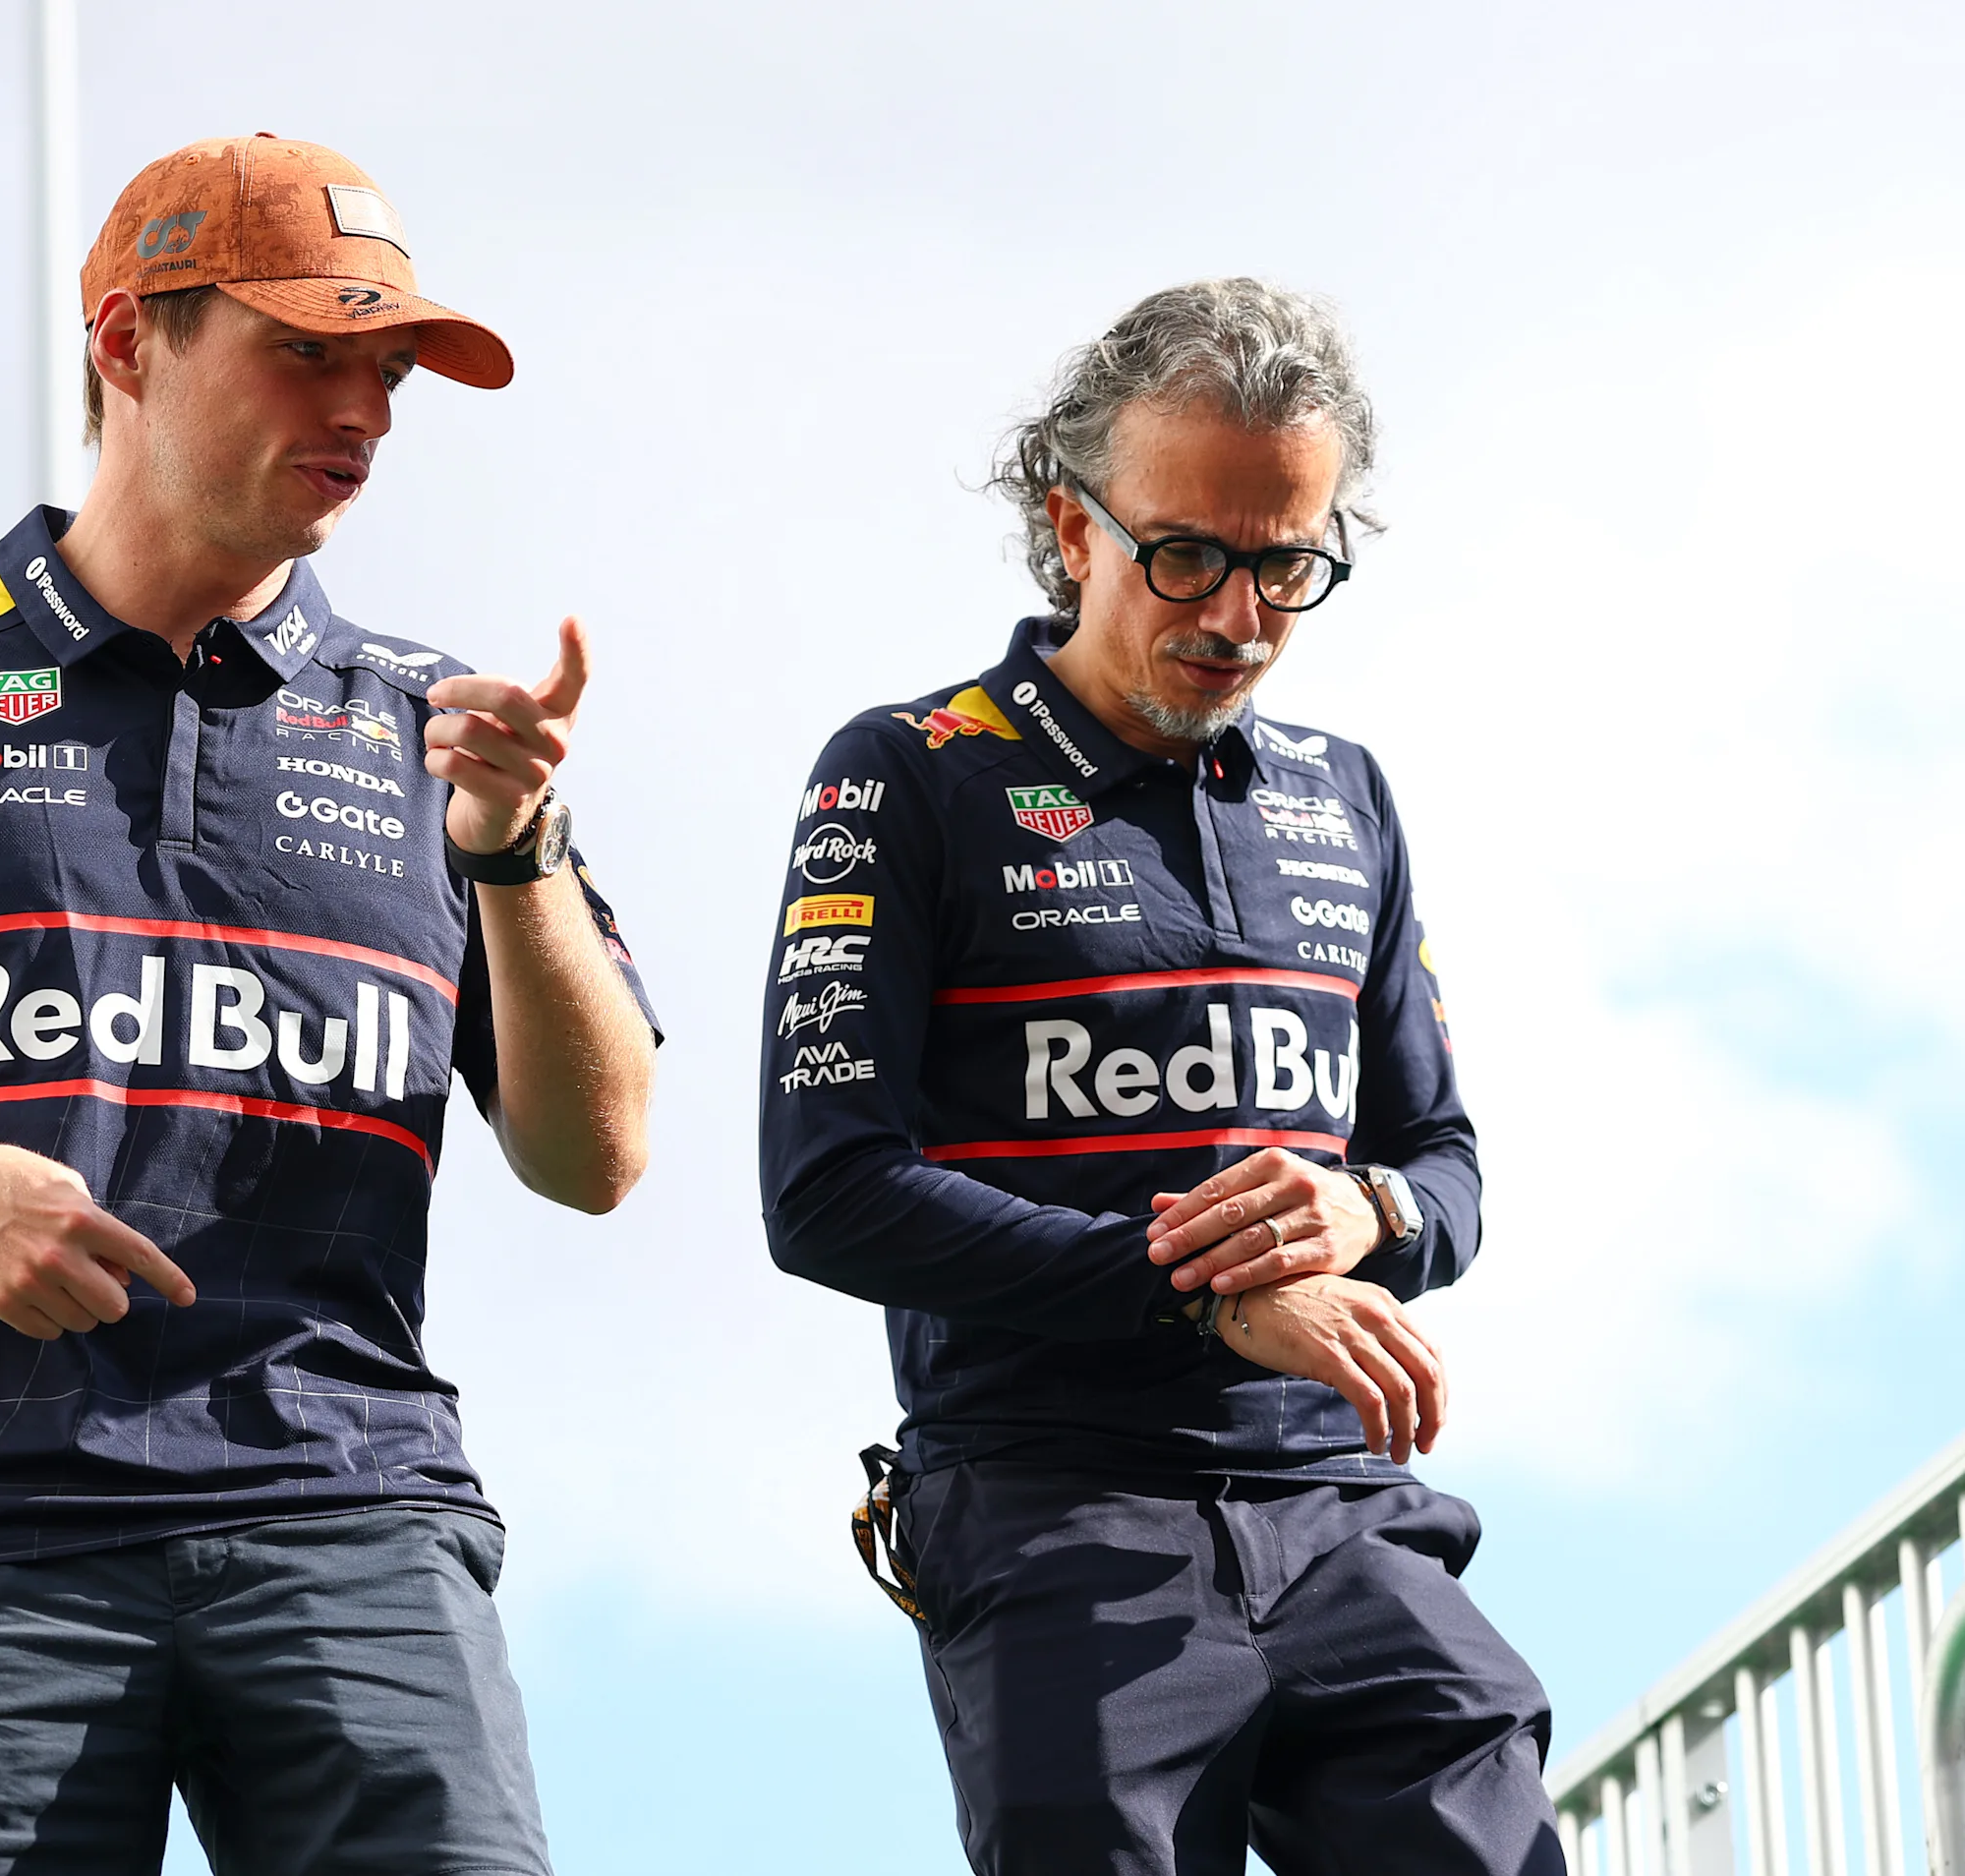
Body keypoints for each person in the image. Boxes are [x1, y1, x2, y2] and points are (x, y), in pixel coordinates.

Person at [0, 133, 657, 1876]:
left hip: (351, 1513)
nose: (365, 412)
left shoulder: (443, 726)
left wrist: (514, 854)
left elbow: (599, 1159)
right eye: (308, 351)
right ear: (126, 340)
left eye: (389, 370)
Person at [758, 278, 1557, 1875]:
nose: (1237, 617)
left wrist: (1365, 1213)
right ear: (1071, 525)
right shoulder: (906, 769)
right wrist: (1195, 1294)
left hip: (1342, 1505)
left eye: (1287, 566)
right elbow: (827, 1195)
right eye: (1185, 555)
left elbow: (1445, 1167)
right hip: (1051, 1503)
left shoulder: (1346, 794)